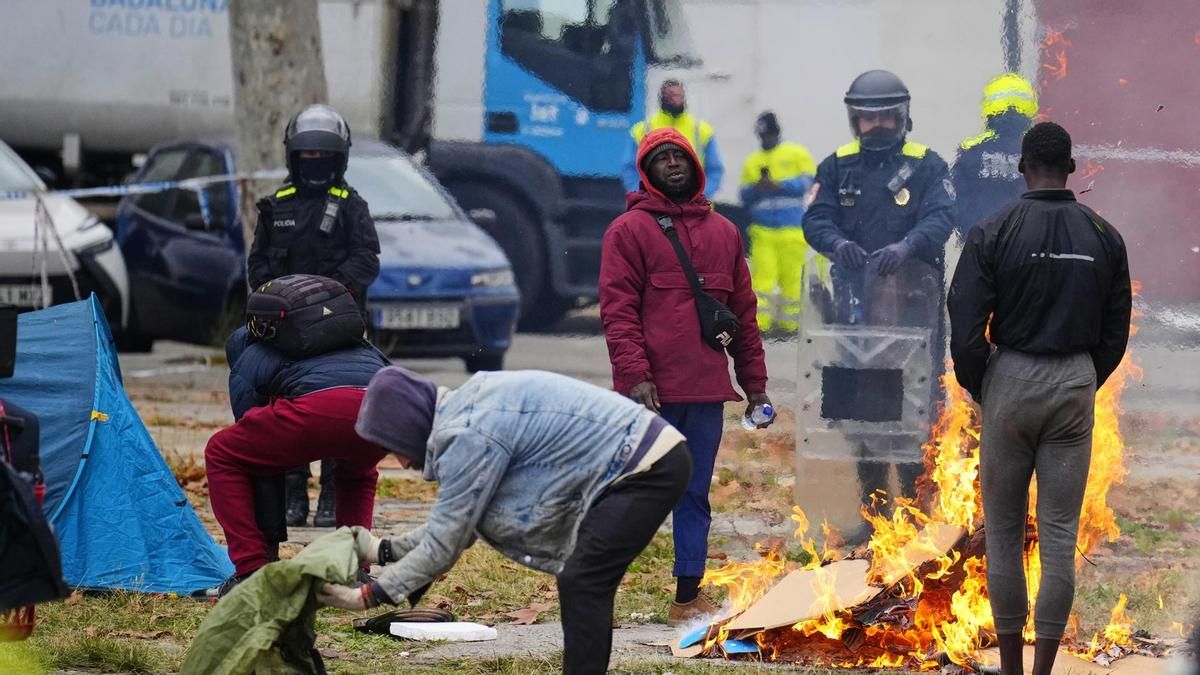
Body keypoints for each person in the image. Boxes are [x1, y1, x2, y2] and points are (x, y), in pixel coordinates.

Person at [317, 366, 693, 675]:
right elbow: (459, 523)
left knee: (583, 580)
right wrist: (384, 550)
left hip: (646, 466)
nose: (401, 462)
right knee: (583, 579)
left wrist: (368, 596)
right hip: (645, 458)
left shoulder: (467, 435)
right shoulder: (468, 409)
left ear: (410, 425)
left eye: (394, 446)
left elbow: (447, 540)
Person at [948, 121, 1131, 675]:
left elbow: (964, 324)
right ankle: (1044, 669)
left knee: (1003, 535)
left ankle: (1010, 668)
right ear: (1070, 168)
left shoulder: (993, 230)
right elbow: (1116, 329)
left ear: (1023, 167)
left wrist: (987, 384)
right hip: (1074, 381)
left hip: (1011, 377)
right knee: (1058, 535)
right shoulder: (1104, 236)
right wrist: (1083, 377)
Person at [600, 127, 771, 624]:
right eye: (661, 159)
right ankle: (596, 591)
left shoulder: (724, 233)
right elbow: (618, 312)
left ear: (694, 166)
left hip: (705, 393)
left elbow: (743, 314)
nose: (672, 164)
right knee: (630, 492)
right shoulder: (627, 232)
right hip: (648, 394)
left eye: (680, 157)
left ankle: (686, 598)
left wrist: (755, 386)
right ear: (647, 172)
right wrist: (635, 376)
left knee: (693, 494)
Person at [801, 70, 955, 523]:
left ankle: (914, 514)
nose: (879, 126)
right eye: (868, 119)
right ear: (854, 120)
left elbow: (942, 217)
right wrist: (835, 243)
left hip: (913, 314)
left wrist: (907, 247)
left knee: (913, 418)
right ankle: (873, 518)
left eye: (888, 116)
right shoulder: (836, 166)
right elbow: (815, 219)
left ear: (904, 115)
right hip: (853, 316)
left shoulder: (928, 165)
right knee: (862, 419)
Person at [247, 104, 382, 528]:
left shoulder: (351, 206)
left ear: (339, 159)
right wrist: (283, 304)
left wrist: (329, 299)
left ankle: (331, 497)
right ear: (292, 157)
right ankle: (293, 496)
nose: (315, 165)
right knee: (284, 411)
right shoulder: (274, 206)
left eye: (322, 157)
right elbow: (258, 270)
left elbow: (366, 260)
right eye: (307, 158)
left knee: (336, 411)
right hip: (285, 332)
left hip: (339, 329)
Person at [204, 325, 390, 588]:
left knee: (223, 452)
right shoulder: (357, 341)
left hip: (314, 410)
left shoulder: (249, 347)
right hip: (377, 408)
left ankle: (251, 571)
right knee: (358, 470)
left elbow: (245, 413)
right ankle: (354, 569)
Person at [739, 111, 819, 334]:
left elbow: (808, 182)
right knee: (762, 281)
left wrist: (779, 185)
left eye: (769, 135)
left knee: (792, 280)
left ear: (777, 133)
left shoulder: (796, 153)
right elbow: (743, 195)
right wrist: (757, 188)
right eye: (762, 135)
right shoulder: (753, 161)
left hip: (791, 229)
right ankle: (760, 325)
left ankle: (789, 325)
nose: (765, 139)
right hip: (763, 230)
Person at [952, 73, 1039, 237]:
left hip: (983, 241)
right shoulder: (1037, 149)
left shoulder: (972, 149)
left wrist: (972, 235)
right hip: (1026, 243)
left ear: (989, 106)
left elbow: (958, 201)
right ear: (1029, 106)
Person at [622, 80, 725, 198]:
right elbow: (629, 168)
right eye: (672, 95)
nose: (677, 99)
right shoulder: (642, 130)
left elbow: (715, 170)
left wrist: (699, 195)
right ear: (662, 98)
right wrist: (642, 195)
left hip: (695, 207)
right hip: (653, 205)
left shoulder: (702, 130)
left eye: (680, 95)